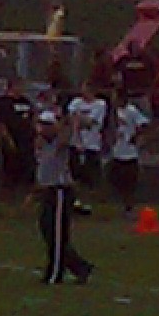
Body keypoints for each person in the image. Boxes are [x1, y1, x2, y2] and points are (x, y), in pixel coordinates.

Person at [35, 101, 93, 284]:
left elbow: (68, 132)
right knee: (48, 231)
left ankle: (55, 272)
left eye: (47, 125)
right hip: (48, 190)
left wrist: (68, 119)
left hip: (60, 191)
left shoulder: (60, 143)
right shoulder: (42, 144)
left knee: (58, 234)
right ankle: (79, 266)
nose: (42, 129)